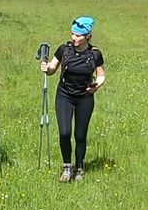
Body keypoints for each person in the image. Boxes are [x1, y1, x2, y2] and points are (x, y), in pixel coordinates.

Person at [41, 15, 105, 182]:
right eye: (72, 34)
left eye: (78, 35)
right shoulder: (64, 50)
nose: (74, 38)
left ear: (88, 37)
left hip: (85, 97)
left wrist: (96, 85)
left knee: (80, 135)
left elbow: (101, 75)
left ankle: (80, 167)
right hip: (65, 95)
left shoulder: (95, 54)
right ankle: (67, 167)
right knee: (64, 132)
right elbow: (52, 69)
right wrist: (46, 68)